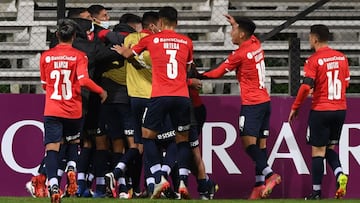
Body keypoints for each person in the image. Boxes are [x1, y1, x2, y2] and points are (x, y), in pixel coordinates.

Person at [111, 6, 194, 199]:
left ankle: (158, 176)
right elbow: (189, 68)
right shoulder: (186, 41)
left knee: (148, 137)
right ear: (177, 22)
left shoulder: (151, 39)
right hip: (182, 96)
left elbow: (129, 55)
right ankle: (182, 181)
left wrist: (123, 50)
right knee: (182, 139)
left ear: (160, 22)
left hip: (159, 95)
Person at [202, 14, 281, 199]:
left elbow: (217, 73)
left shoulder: (240, 54)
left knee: (248, 145)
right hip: (265, 102)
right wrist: (236, 22)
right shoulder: (255, 44)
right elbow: (249, 32)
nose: (231, 32)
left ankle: (270, 175)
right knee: (261, 146)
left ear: (243, 34)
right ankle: (259, 185)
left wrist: (197, 77)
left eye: (234, 29)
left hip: (252, 104)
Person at [40, 18, 107, 203]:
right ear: (74, 36)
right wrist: (101, 91)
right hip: (73, 108)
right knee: (74, 142)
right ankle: (71, 168)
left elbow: (45, 85)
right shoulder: (79, 56)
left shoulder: (46, 56)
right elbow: (84, 80)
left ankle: (53, 184)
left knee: (52, 147)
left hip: (53, 108)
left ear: (57, 35)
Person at [288, 24, 349, 200]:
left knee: (318, 152)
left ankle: (316, 192)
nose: (309, 40)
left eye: (309, 37)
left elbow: (306, 86)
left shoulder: (313, 60)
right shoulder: (341, 58)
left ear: (314, 38)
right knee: (330, 148)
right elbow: (345, 84)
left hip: (321, 109)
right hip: (340, 109)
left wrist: (295, 107)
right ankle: (339, 174)